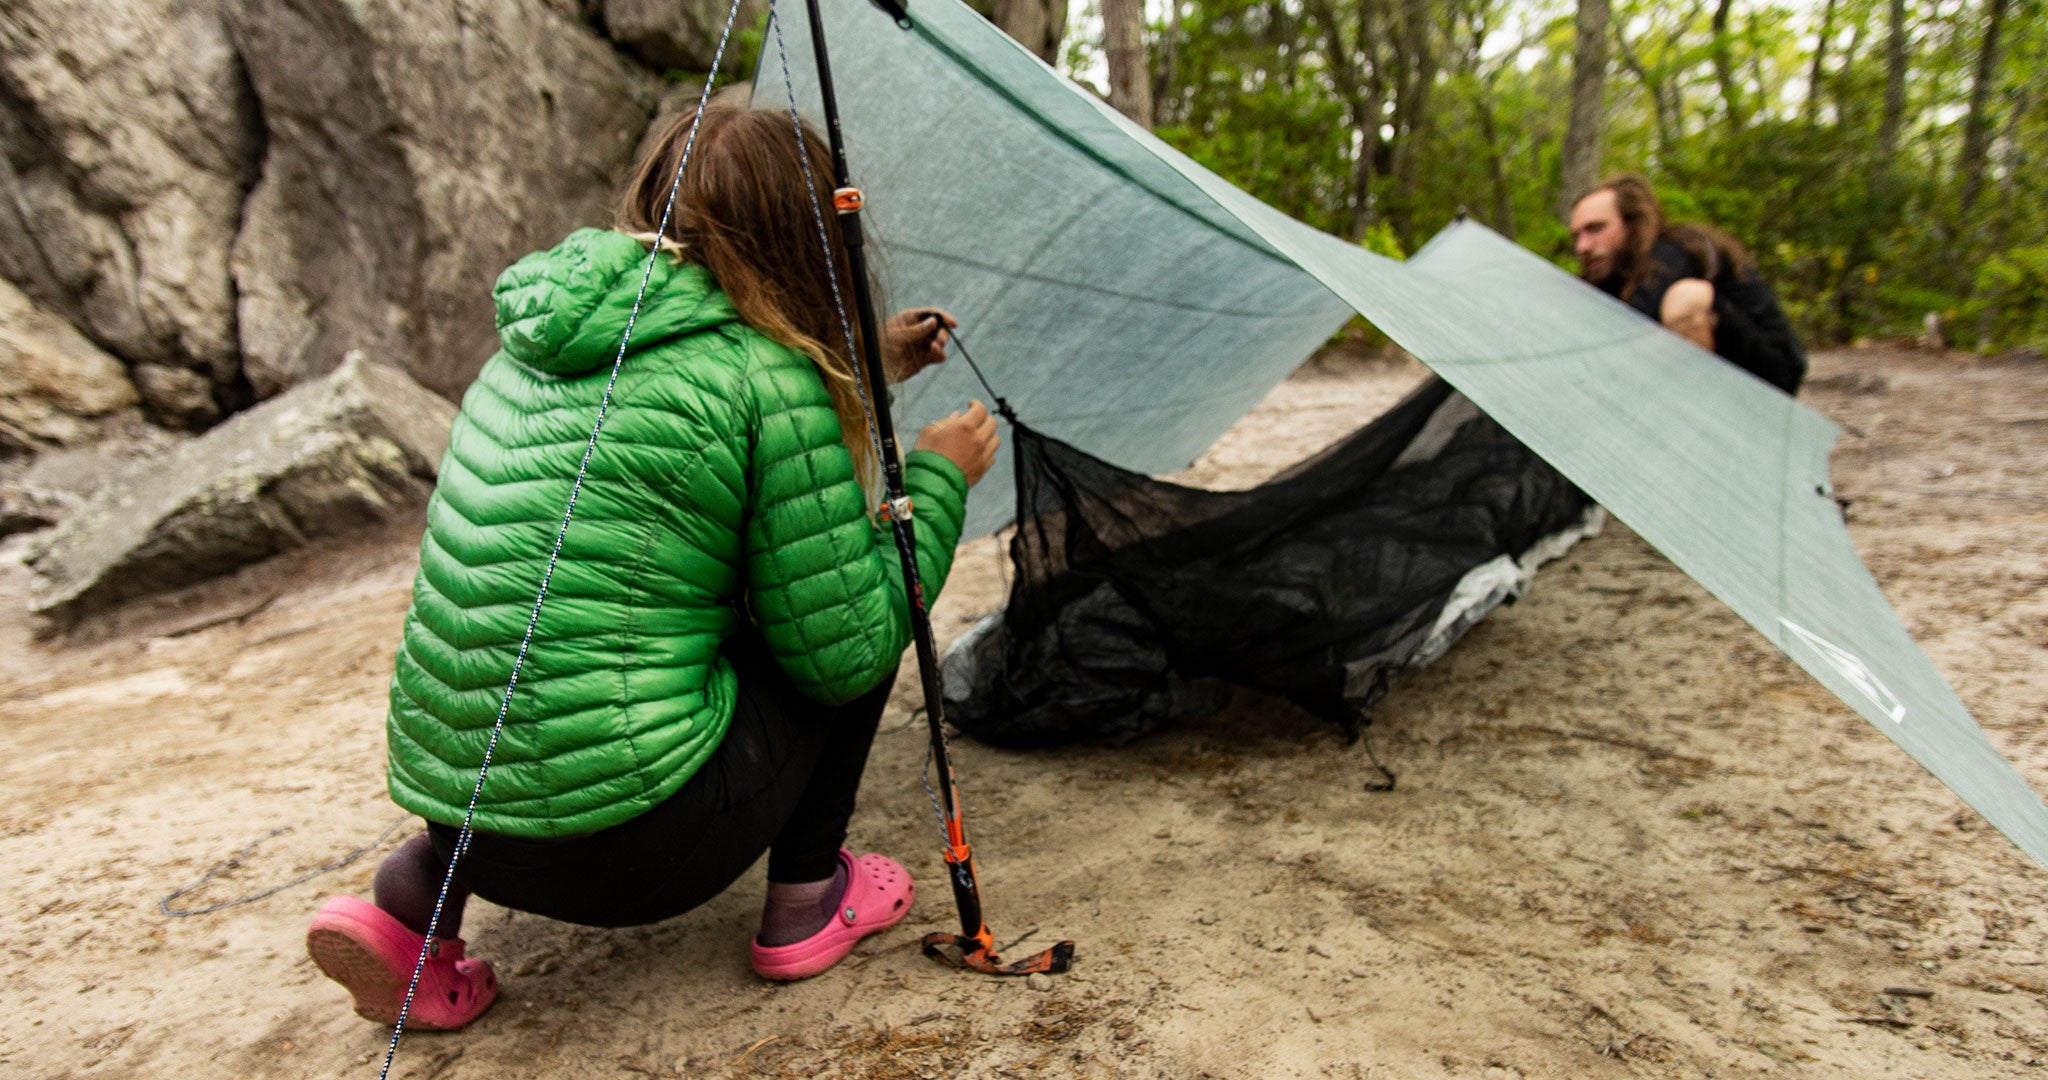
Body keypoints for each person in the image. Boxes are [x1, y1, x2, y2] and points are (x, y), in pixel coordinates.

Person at [302, 101, 1001, 1032]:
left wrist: (863, 360)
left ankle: (414, 900)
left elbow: (673, 406)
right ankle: (808, 894)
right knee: (852, 601)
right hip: (636, 853)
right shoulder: (768, 380)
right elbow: (845, 645)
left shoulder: (532, 348)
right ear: (806, 235)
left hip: (461, 812)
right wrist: (940, 480)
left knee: (562, 639)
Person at [1568, 174, 1806, 394]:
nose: (1583, 247)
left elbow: (1633, 325)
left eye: (1596, 229)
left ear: (1632, 224)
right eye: (1577, 236)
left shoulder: (1675, 248)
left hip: (1773, 374)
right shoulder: (1612, 275)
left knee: (1686, 300)